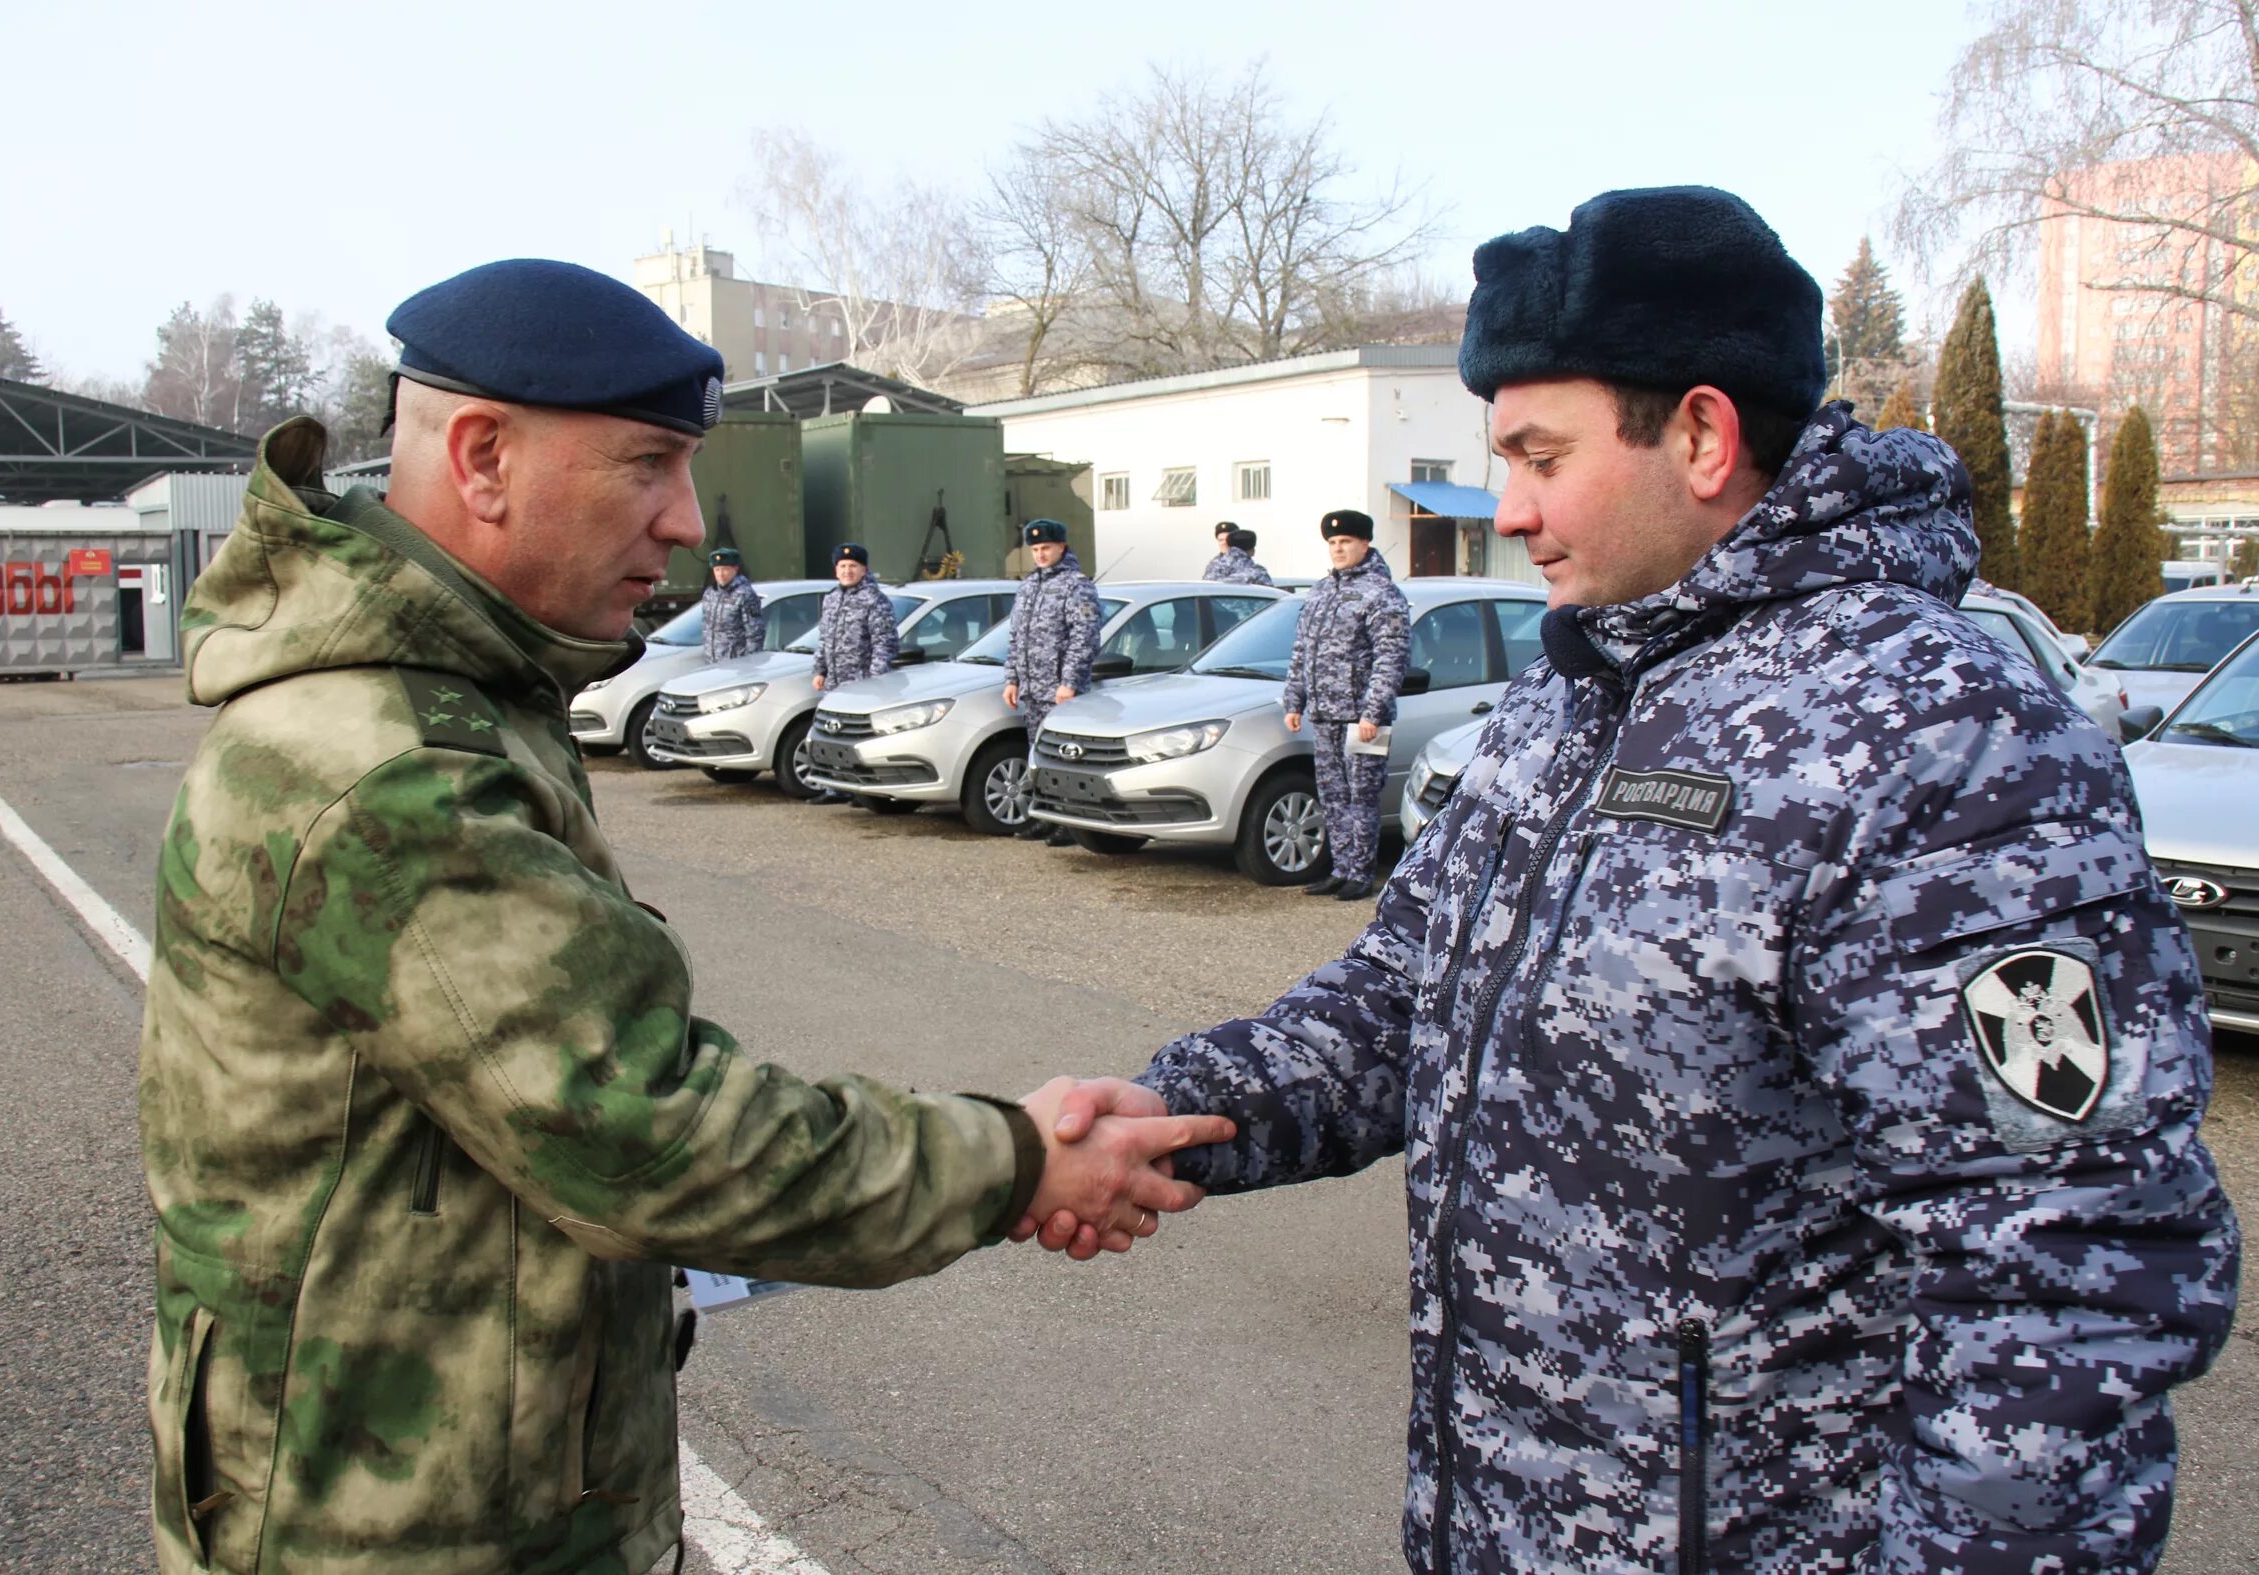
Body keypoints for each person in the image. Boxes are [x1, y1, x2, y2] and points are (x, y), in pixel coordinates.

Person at [1030, 189, 2240, 1572]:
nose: (1511, 509)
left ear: (1705, 435)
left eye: (1541, 455)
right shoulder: (1580, 689)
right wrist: (1177, 1112)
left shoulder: (1935, 740)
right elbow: (1398, 997)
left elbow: (2061, 1274)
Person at [138, 258, 1230, 1575]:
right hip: (393, 1526)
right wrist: (1012, 1159)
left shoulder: (449, 699)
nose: (684, 518)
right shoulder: (388, 763)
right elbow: (643, 1128)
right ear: (483, 456)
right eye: (649, 463)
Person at [1283, 509, 1409, 901]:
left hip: (1363, 719)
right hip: (1325, 714)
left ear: (1364, 543)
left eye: (1346, 543)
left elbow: (1391, 658)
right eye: (1333, 544)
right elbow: (1302, 650)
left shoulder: (1382, 594)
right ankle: (1340, 868)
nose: (1338, 549)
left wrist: (1372, 712)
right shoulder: (1321, 591)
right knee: (1333, 795)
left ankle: (1361, 872)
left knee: (1363, 795)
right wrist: (1295, 700)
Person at [1001, 518, 1102, 846]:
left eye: (1046, 548)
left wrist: (1069, 682)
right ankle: (1042, 816)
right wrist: (1012, 678)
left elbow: (1084, 637)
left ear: (1062, 547)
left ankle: (1068, 823)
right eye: (1035, 549)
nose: (1040, 554)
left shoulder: (1077, 585)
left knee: (1065, 757)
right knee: (1037, 756)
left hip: (1061, 690)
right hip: (1033, 689)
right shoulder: (1029, 586)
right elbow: (1017, 637)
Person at [805, 542, 899, 804]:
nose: (847, 571)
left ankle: (861, 791)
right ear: (836, 570)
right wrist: (819, 670)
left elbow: (885, 643)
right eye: (842, 566)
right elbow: (824, 639)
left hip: (862, 682)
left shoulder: (874, 600)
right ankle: (835, 788)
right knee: (832, 735)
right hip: (835, 682)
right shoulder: (832, 598)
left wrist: (875, 679)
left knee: (858, 739)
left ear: (864, 569)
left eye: (852, 566)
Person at [698, 545, 762, 661]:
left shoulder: (745, 594)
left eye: (725, 569)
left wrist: (751, 662)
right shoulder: (710, 594)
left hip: (736, 665)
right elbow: (706, 628)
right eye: (717, 570)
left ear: (735, 569)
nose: (721, 574)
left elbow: (755, 632)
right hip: (712, 662)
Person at [1203, 526, 1274, 586]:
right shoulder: (1257, 573)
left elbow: (1204, 588)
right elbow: (1272, 598)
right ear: (1252, 551)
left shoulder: (1213, 565)